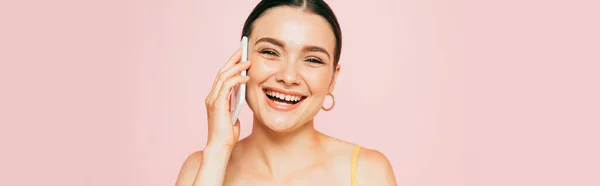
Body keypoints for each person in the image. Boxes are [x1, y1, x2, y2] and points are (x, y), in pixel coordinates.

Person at [175, 0, 397, 185]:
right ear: (241, 59)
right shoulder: (200, 169)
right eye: (270, 52)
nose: (288, 77)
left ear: (332, 79)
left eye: (312, 59)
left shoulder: (369, 173)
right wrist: (216, 152)